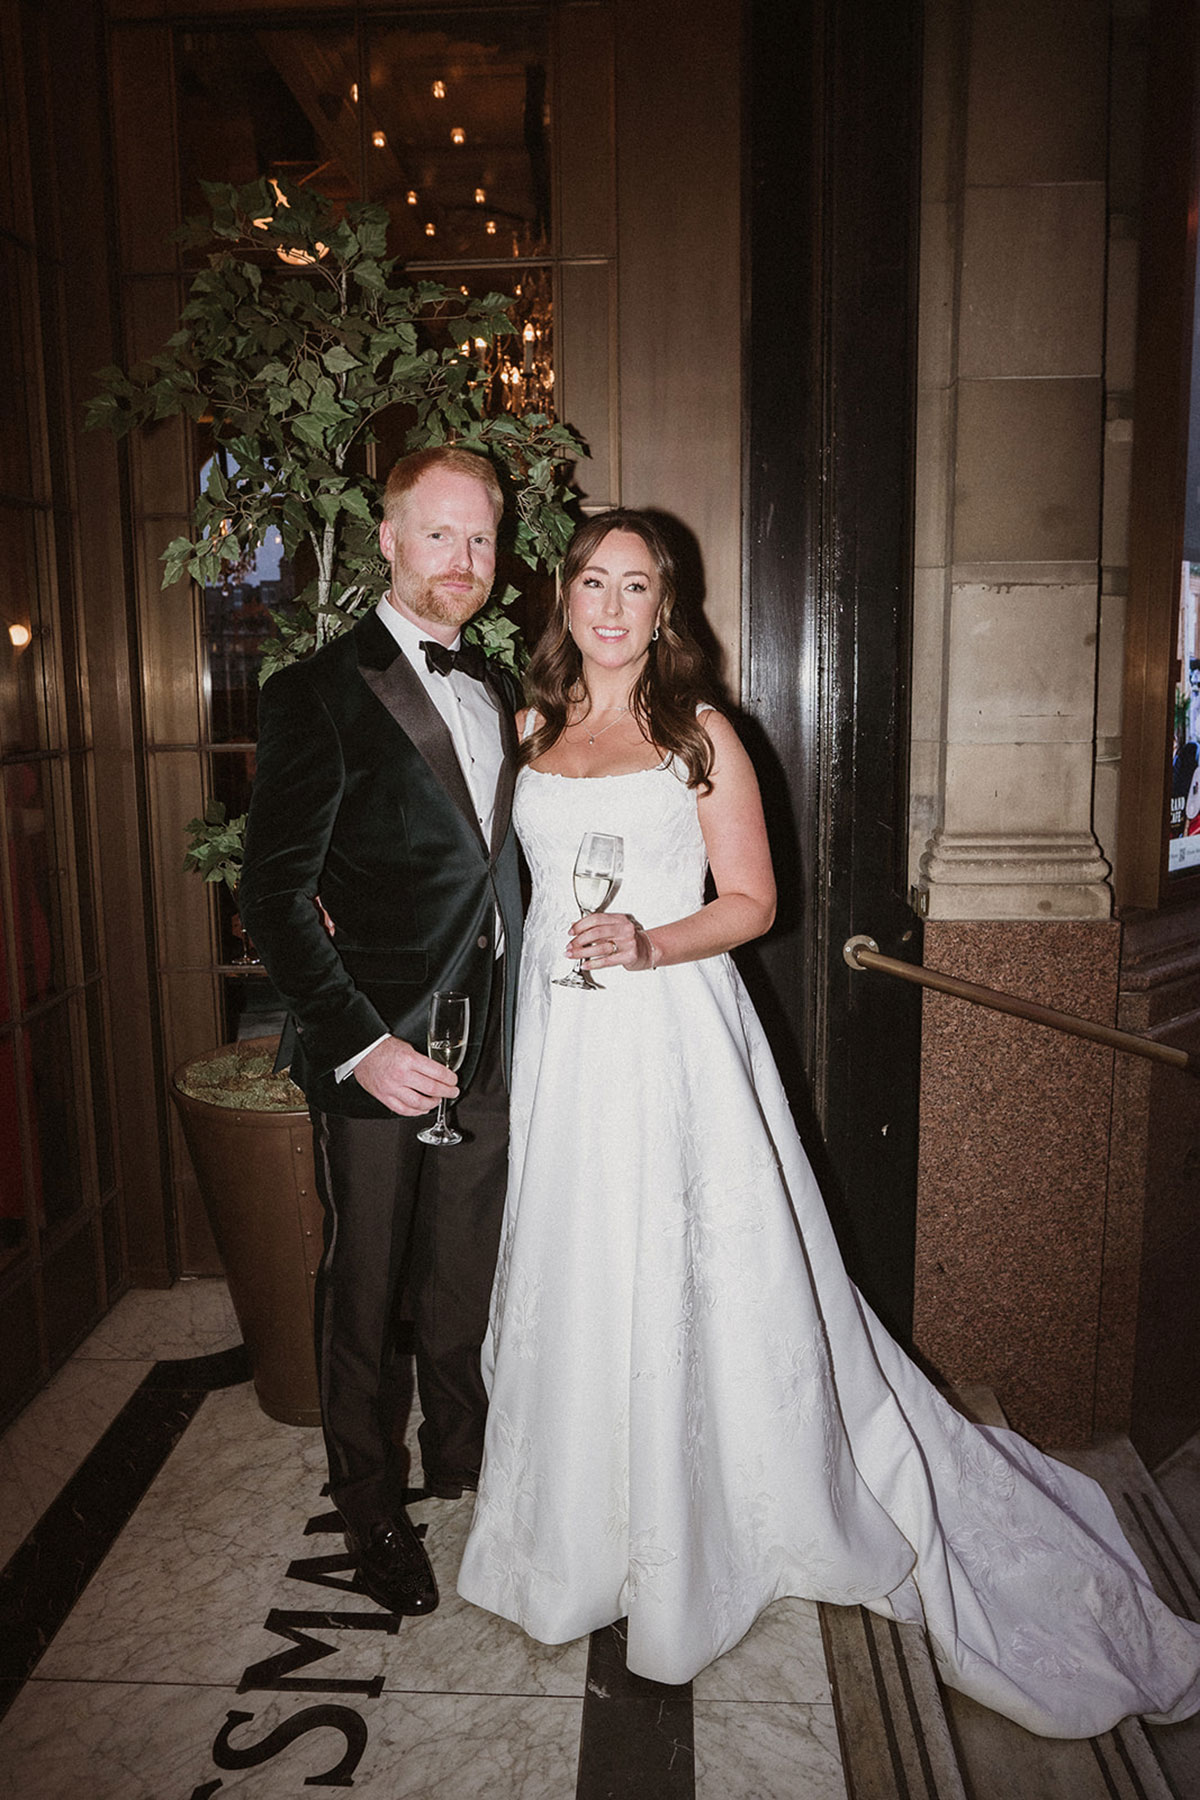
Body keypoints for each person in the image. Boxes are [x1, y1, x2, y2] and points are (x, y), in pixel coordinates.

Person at [456, 507, 1200, 1737]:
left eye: (635, 587)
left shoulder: (701, 737)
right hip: (561, 1043)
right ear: (564, 597)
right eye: (592, 579)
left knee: (687, 1265)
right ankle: (574, 1521)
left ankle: (703, 1524)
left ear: (665, 610)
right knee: (576, 1264)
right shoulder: (529, 730)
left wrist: (649, 938)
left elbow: (753, 902)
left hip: (667, 1036)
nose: (608, 605)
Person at [238, 446, 523, 1619]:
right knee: (364, 1288)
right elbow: (271, 896)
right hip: (380, 1050)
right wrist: (361, 1043)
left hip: (497, 1034)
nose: (464, 563)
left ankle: (464, 1464)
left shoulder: (500, 684)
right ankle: (367, 1506)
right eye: (440, 535)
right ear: (390, 540)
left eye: (483, 541)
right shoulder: (316, 691)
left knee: (465, 1276)